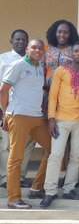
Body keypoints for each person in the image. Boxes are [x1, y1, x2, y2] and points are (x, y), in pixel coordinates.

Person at [0, 39, 52, 209]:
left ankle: (37, 187)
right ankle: (13, 199)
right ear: (28, 50)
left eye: (40, 48)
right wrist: (7, 114)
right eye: (33, 47)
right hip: (19, 116)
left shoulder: (39, 67)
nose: (37, 50)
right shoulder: (18, 65)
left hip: (37, 117)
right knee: (16, 158)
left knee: (52, 150)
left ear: (43, 52)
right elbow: (3, 91)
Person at [40, 42, 79, 208]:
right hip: (60, 120)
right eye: (76, 51)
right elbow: (53, 96)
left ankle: (69, 188)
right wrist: (51, 118)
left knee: (76, 157)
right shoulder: (61, 70)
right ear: (72, 53)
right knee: (56, 155)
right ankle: (50, 191)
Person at [0, 29, 36, 189]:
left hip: (28, 112)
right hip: (8, 110)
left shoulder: (34, 61)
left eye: (24, 40)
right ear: (11, 41)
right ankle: (6, 178)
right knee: (7, 146)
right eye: (18, 39)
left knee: (27, 145)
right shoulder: (3, 59)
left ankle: (20, 177)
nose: (21, 42)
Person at [44, 20, 79, 86]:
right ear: (55, 33)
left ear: (70, 34)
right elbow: (40, 69)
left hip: (68, 90)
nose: (62, 35)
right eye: (59, 32)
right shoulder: (47, 49)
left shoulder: (76, 50)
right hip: (47, 89)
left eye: (66, 32)